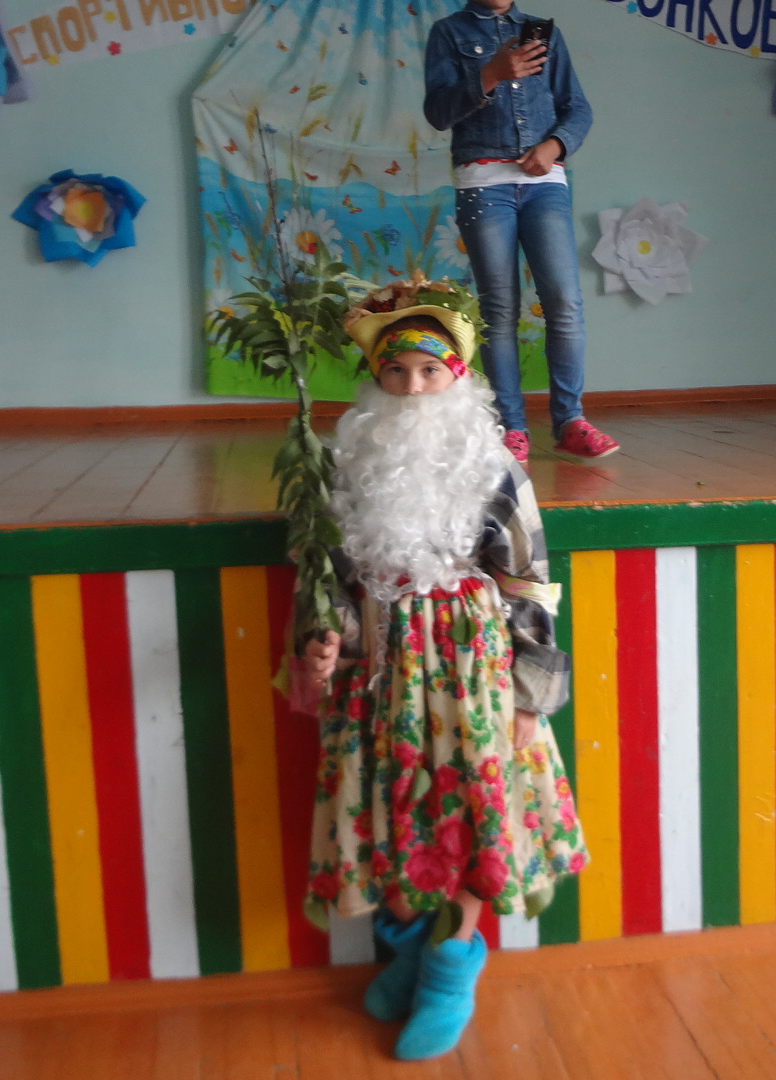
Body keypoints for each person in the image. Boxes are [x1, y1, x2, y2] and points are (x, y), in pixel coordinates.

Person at [296, 289, 586, 1061]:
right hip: (383, 669)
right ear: (374, 379)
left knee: (471, 806)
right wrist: (329, 639)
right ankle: (412, 956)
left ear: (458, 374)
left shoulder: (492, 467)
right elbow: (334, 581)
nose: (414, 387)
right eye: (396, 372)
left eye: (430, 370)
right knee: (392, 809)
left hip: (470, 670)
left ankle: (450, 968)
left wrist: (528, 695)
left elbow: (529, 582)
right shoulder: (347, 466)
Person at [422, 0, 619, 464]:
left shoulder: (543, 32)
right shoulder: (448, 32)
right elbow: (438, 112)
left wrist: (555, 144)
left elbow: (577, 108)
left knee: (564, 302)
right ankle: (511, 426)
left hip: (544, 183)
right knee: (499, 309)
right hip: (481, 182)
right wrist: (490, 74)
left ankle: (569, 421)